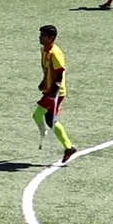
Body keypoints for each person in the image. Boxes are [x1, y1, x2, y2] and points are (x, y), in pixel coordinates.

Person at [35, 25, 77, 165]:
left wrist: (54, 91)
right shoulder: (44, 50)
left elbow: (59, 73)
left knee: (48, 119)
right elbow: (48, 70)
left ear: (51, 38)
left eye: (43, 35)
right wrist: (43, 82)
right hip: (48, 89)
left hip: (55, 92)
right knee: (41, 117)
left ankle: (68, 147)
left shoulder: (55, 53)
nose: (40, 37)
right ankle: (66, 146)